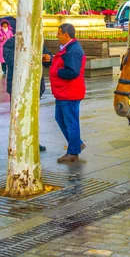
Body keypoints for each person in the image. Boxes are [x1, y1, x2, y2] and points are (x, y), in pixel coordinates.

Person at [3, 36, 51, 152]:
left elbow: (48, 57)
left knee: (33, 116)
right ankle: (17, 142)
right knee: (18, 116)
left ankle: (33, 141)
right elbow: (12, 61)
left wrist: (49, 58)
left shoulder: (37, 40)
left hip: (35, 85)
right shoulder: (9, 44)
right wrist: (35, 57)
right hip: (18, 86)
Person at [49, 23, 86, 163]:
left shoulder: (73, 50)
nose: (57, 36)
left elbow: (73, 71)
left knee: (70, 122)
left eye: (58, 33)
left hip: (69, 92)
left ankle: (73, 152)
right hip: (63, 92)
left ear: (66, 34)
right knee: (60, 119)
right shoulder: (67, 48)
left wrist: (56, 71)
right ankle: (76, 144)